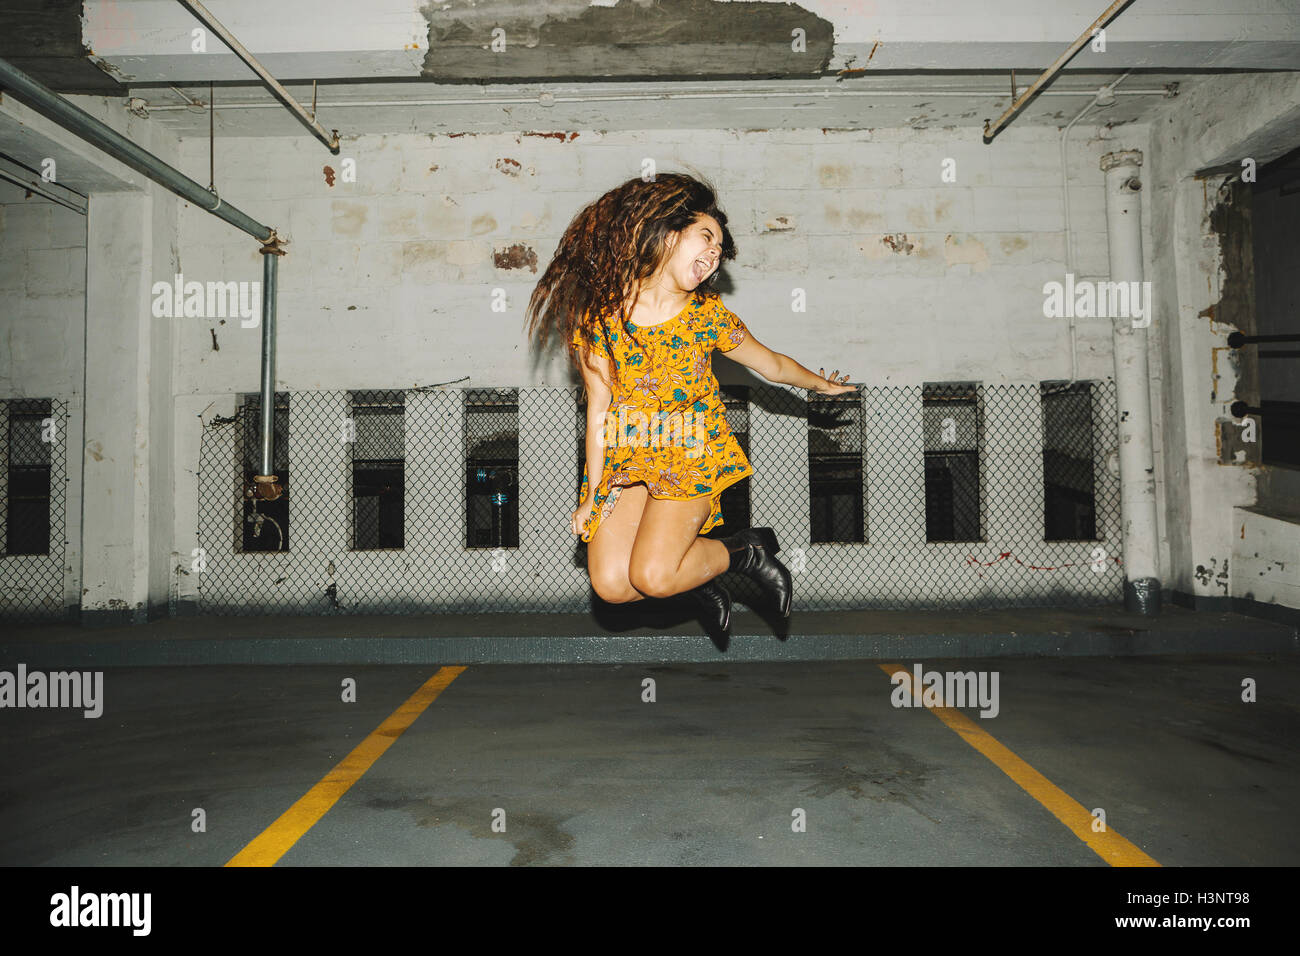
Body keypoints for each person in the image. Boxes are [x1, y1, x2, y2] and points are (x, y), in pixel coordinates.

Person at [525, 172, 858, 641]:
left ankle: (746, 551)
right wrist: (591, 494)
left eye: (719, 250)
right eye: (706, 236)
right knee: (613, 586)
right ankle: (698, 578)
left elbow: (774, 365)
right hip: (628, 457)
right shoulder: (601, 319)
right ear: (665, 231)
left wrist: (820, 384)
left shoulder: (707, 317)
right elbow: (599, 411)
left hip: (691, 455)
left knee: (655, 577)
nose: (713, 254)